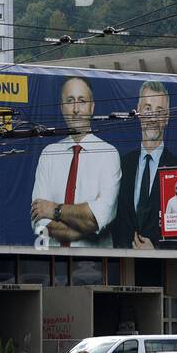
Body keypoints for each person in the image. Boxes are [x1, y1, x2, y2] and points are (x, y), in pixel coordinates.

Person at [30, 76, 120, 247]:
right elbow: (39, 220)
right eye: (70, 101)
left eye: (82, 101)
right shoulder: (48, 155)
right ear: (62, 107)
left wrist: (54, 210)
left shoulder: (109, 154)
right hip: (53, 265)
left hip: (95, 267)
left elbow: (96, 219)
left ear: (92, 107)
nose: (76, 109)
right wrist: (81, 225)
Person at [112, 81, 177, 249]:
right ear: (138, 112)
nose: (153, 117)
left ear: (167, 117)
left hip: (164, 270)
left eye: (159, 111)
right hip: (123, 267)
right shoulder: (121, 165)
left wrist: (156, 251)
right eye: (147, 108)